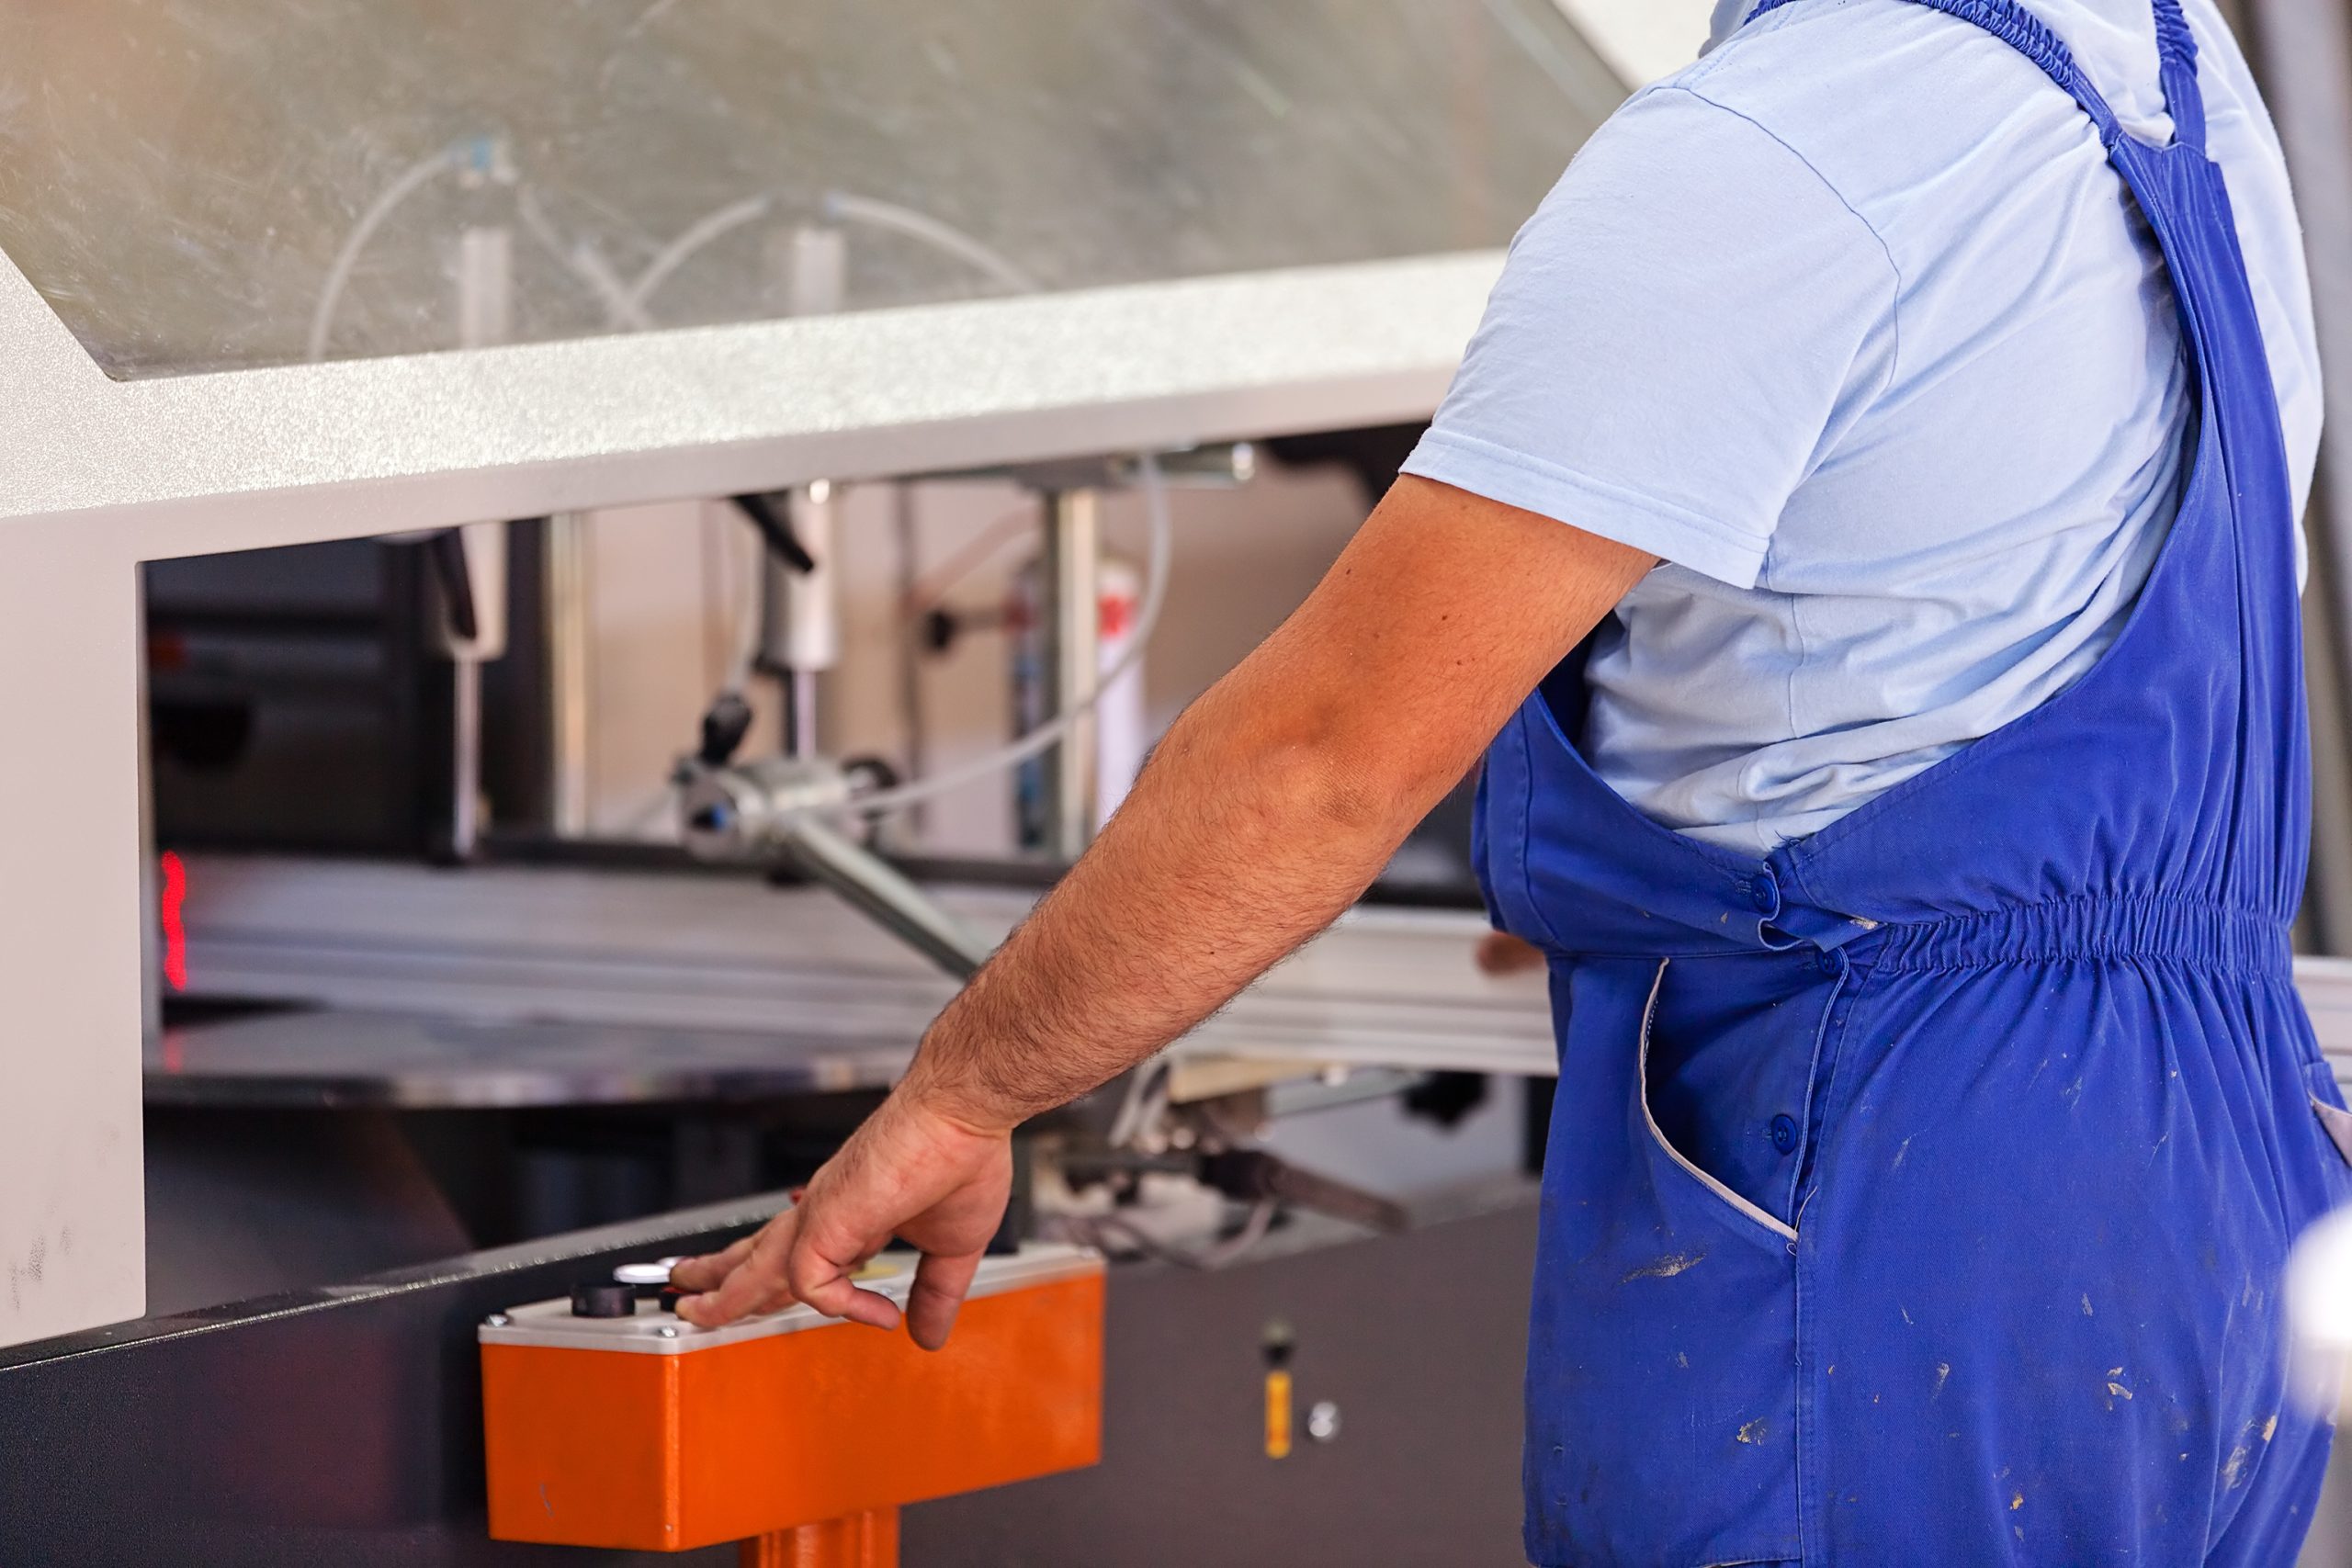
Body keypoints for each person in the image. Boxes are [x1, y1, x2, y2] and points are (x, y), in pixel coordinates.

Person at [673, 0, 2350, 1558]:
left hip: (1889, 1212)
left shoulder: (1780, 148)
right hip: (2209, 1198)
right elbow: (1988, 629)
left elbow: (1321, 761)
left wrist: (969, 1094)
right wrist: (1662, 868)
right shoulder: (2173, 79)